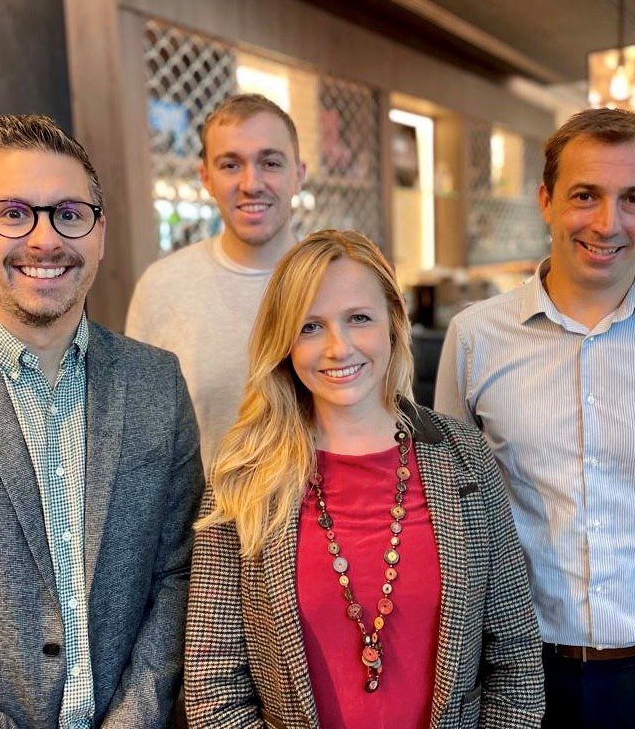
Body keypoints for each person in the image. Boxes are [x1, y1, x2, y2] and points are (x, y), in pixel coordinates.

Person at [435, 107, 635, 728]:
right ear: (547, 200)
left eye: (634, 198)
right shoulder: (475, 339)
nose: (609, 223)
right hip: (517, 674)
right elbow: (455, 499)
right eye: (586, 195)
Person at [0, 114, 204, 728]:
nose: (44, 240)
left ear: (99, 232)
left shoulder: (156, 383)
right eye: (13, 214)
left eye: (69, 213)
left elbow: (177, 579)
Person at [184, 229, 544, 728]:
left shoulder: (464, 458)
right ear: (283, 343)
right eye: (310, 327)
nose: (339, 347)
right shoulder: (243, 477)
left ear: (394, 325)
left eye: (359, 319)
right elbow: (213, 690)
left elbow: (515, 661)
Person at [126, 93, 306, 473]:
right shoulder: (163, 288)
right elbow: (142, 440)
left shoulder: (340, 283)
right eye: (230, 165)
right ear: (205, 177)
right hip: (207, 527)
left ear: (299, 174)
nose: (251, 183)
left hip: (328, 525)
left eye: (270, 162)